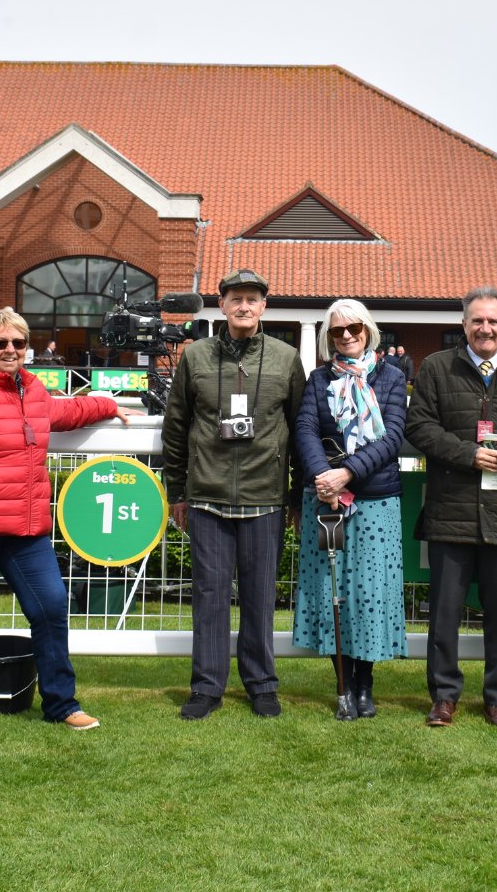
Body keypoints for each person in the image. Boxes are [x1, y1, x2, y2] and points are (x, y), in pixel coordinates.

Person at [0, 308, 132, 735]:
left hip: (26, 529)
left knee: (51, 608)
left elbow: (67, 413)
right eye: (0, 344)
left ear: (27, 348)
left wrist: (108, 404)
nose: (10, 350)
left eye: (18, 343)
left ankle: (61, 703)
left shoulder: (33, 391)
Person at [162, 269, 305, 720]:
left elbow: (301, 430)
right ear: (221, 306)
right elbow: (176, 427)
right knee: (209, 596)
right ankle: (206, 687)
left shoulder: (286, 358)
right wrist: (177, 491)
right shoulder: (196, 357)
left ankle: (262, 684)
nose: (244, 306)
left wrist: (296, 496)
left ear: (264, 307)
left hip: (266, 498)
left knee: (261, 597)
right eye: (235, 298)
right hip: (207, 496)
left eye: (252, 299)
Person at [405, 286, 497, 728]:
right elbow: (419, 426)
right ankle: (444, 696)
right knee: (444, 615)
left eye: (493, 321)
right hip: (451, 512)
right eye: (477, 321)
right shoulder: (437, 368)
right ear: (464, 324)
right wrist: (468, 454)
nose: (485, 328)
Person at [293, 299, 407, 719]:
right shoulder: (317, 379)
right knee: (333, 591)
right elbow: (305, 428)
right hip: (326, 501)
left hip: (375, 499)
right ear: (328, 337)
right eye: (337, 331)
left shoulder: (391, 378)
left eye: (353, 328)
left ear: (368, 330)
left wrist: (347, 475)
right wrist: (324, 476)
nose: (346, 336)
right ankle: (342, 683)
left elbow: (392, 436)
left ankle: (365, 683)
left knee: (369, 594)